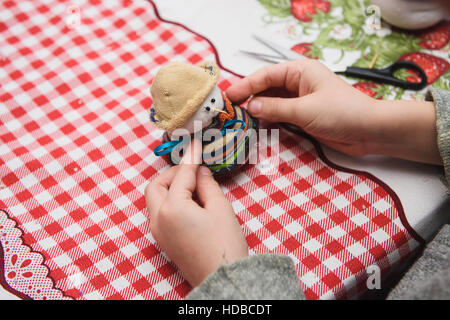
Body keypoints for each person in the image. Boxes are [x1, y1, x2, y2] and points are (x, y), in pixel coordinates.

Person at [145, 60, 449, 299]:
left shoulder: (235, 122)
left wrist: (226, 276)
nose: (213, 110)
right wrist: (379, 123)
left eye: (211, 101)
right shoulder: (185, 139)